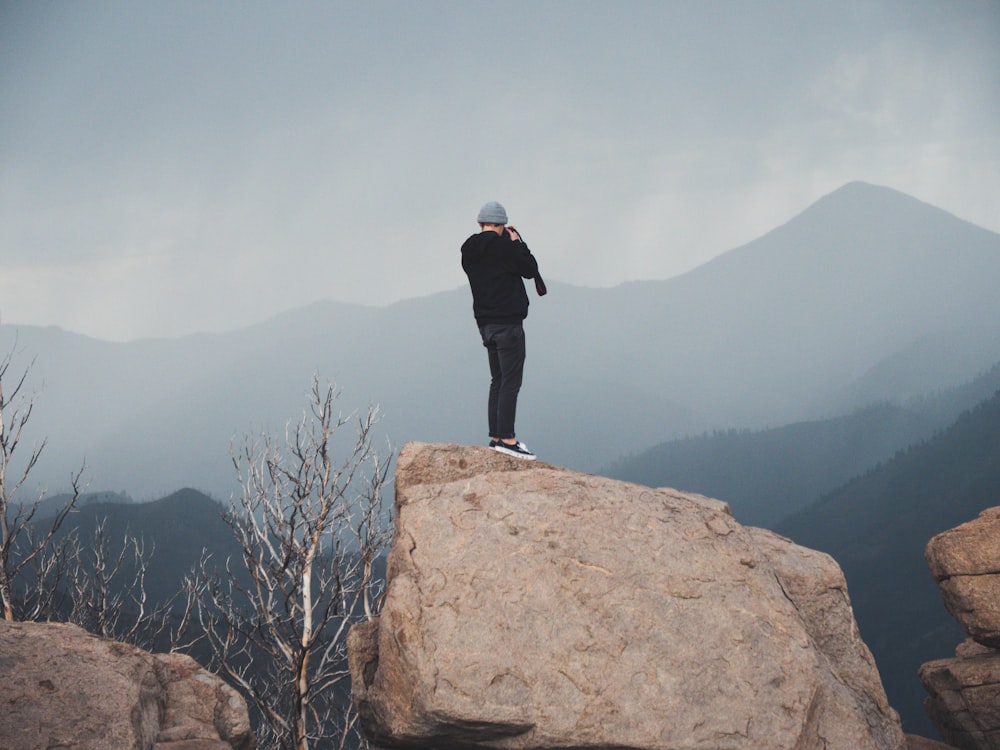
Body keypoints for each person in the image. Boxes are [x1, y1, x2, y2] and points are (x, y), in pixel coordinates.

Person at [461, 201, 546, 460]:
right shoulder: (505, 248)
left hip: (485, 326)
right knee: (511, 382)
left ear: (480, 224)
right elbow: (530, 269)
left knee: (497, 380)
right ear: (502, 225)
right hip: (509, 324)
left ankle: (497, 437)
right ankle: (508, 440)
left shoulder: (468, 250)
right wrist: (518, 243)